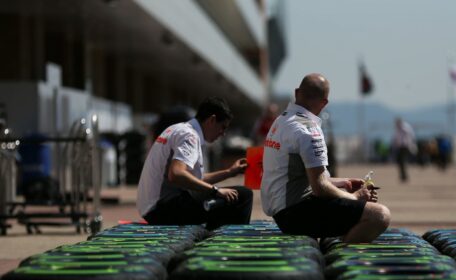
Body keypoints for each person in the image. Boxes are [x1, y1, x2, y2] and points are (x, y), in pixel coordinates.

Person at [261, 73, 391, 243]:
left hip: (283, 212)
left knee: (351, 203)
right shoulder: (309, 130)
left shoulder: (281, 121)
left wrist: (343, 183)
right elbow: (320, 188)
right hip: (295, 214)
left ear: (296, 92)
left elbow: (301, 178)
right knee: (379, 215)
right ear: (324, 103)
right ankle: (340, 256)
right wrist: (356, 197)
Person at [137, 97, 252, 229]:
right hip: (162, 209)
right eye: (222, 127)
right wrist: (216, 191)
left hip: (153, 208)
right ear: (212, 120)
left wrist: (230, 172)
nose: (223, 134)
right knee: (243, 196)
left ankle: (212, 234)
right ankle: (231, 243)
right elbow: (176, 174)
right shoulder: (190, 136)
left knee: (224, 198)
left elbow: (193, 179)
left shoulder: (177, 128)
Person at [391, 118, 416, 182]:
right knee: (400, 161)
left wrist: (411, 145)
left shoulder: (405, 128)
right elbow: (396, 138)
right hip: (400, 147)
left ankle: (404, 176)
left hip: (405, 146)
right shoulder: (397, 129)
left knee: (402, 161)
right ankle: (403, 175)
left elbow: (410, 136)